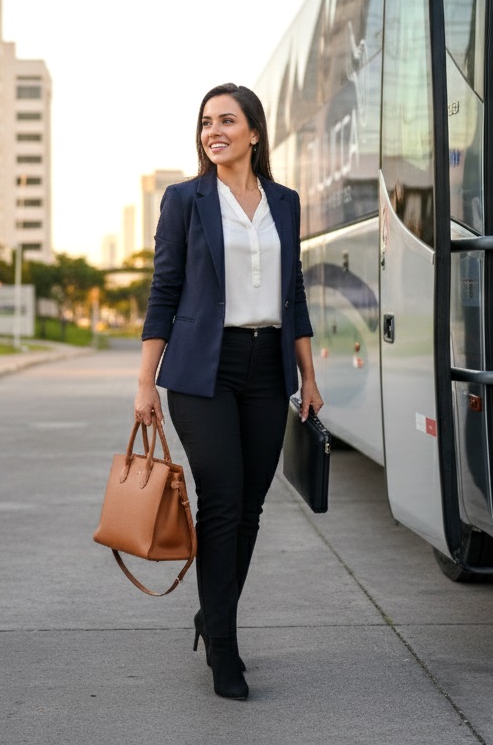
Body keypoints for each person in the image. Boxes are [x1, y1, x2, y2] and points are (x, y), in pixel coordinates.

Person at [134, 82, 324, 701]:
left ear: (254, 132)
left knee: (249, 508)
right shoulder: (186, 200)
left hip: (267, 366)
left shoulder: (285, 203)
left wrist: (309, 376)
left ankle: (211, 617)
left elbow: (290, 291)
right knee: (221, 500)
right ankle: (224, 648)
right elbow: (164, 291)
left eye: (226, 120)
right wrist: (145, 384)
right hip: (201, 371)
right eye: (205, 122)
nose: (212, 131)